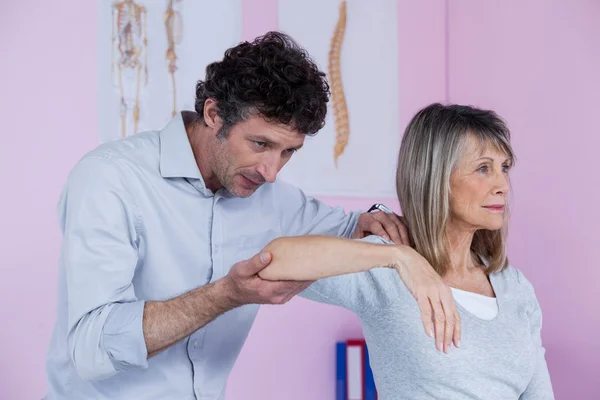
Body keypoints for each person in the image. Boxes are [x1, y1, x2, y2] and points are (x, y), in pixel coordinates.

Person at [43, 32, 460, 400]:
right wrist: (227, 294)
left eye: (288, 151)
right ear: (213, 114)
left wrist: (379, 217)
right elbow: (91, 348)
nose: (271, 171)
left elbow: (354, 227)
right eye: (260, 143)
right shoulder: (110, 179)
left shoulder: (274, 199)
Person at [259, 103, 554, 399]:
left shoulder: (514, 286)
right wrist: (399, 257)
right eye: (483, 168)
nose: (503, 184)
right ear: (436, 178)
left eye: (504, 168)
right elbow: (275, 261)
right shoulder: (386, 269)